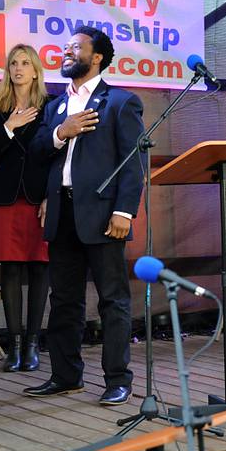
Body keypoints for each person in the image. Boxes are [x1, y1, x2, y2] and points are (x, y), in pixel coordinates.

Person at [24, 26, 145, 406]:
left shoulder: (120, 103)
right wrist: (62, 131)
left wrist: (124, 210)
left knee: (113, 300)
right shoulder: (55, 106)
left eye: (75, 48)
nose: (66, 52)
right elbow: (39, 150)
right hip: (62, 213)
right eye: (65, 47)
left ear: (96, 58)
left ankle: (117, 380)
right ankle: (65, 376)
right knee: (64, 300)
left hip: (104, 215)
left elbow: (134, 162)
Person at [0, 43, 51, 373]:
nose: (18, 68)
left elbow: (58, 156)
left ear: (36, 70)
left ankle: (34, 344)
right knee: (10, 269)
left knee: (39, 270)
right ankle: (15, 346)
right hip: (7, 198)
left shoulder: (52, 107)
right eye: (13, 64)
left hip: (40, 200)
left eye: (25, 63)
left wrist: (52, 195)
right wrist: (9, 125)